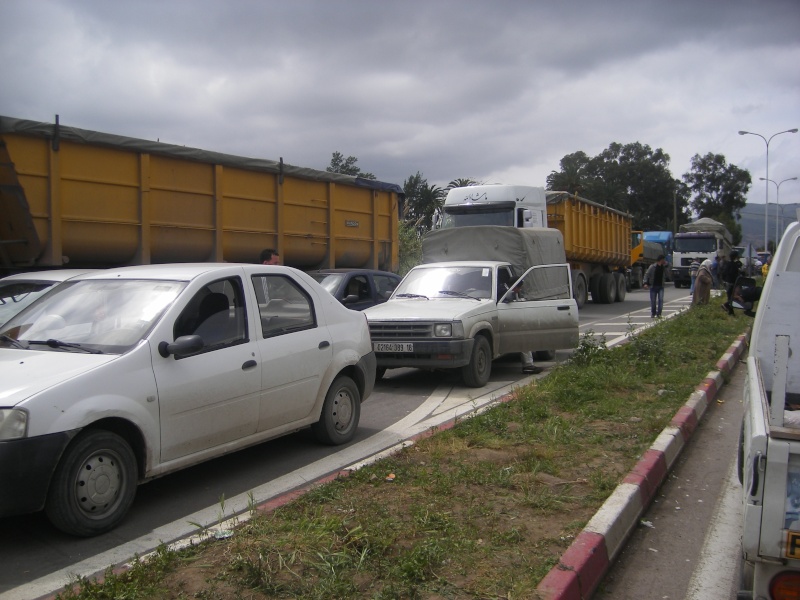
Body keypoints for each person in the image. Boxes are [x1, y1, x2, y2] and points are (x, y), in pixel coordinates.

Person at [721, 250, 743, 315]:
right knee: (734, 297)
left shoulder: (727, 264)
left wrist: (724, 280)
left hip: (727, 282)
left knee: (730, 297)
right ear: (735, 257)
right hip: (732, 283)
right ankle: (726, 305)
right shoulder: (734, 265)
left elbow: (723, 273)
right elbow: (734, 274)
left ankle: (731, 312)